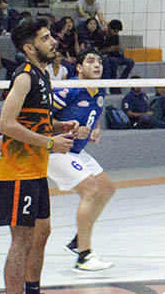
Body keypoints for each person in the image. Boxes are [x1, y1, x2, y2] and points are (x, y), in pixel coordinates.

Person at [0, 18, 77, 294]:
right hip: (17, 173)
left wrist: (61, 126)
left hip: (35, 171)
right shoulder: (26, 77)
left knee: (42, 232)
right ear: (30, 48)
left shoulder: (42, 75)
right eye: (45, 38)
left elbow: (35, 122)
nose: (53, 41)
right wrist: (49, 142)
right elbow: (5, 123)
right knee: (21, 241)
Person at [50, 49, 116, 271]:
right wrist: (66, 128)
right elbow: (39, 118)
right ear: (78, 68)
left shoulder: (99, 90)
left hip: (77, 151)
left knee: (106, 188)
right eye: (90, 61)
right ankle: (84, 256)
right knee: (90, 190)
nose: (97, 65)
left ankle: (78, 240)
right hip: (55, 149)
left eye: (99, 61)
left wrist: (95, 128)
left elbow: (94, 112)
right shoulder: (69, 89)